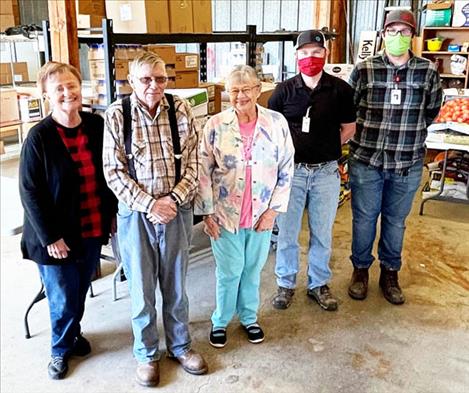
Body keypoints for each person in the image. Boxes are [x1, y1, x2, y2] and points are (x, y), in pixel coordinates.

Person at [102, 52, 207, 387]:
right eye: (146, 79)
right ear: (131, 81)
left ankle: (180, 346)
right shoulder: (118, 115)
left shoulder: (181, 109)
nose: (154, 86)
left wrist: (173, 200)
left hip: (176, 212)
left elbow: (193, 162)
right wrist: (151, 204)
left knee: (176, 286)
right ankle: (147, 353)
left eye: (160, 79)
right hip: (136, 215)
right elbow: (114, 172)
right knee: (142, 289)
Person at [19, 62, 117, 380]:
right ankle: (59, 350)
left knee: (78, 290)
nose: (66, 92)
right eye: (58, 88)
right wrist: (51, 237)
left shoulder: (94, 125)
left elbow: (108, 174)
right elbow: (30, 192)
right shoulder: (39, 137)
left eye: (71, 85)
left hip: (89, 227)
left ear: (80, 87)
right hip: (54, 237)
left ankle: (73, 336)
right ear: (46, 95)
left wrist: (111, 213)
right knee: (61, 297)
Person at [195, 65, 294, 348]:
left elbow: (287, 168)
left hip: (261, 213)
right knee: (229, 271)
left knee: (252, 269)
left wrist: (273, 211)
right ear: (227, 93)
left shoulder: (276, 123)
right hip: (225, 214)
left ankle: (249, 318)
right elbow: (202, 170)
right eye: (234, 90)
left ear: (258, 89)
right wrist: (207, 213)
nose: (241, 96)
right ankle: (220, 321)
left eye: (246, 89)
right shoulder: (215, 125)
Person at [347, 10, 442, 305]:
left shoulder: (427, 71)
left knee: (395, 221)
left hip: (407, 163)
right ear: (383, 34)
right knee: (364, 219)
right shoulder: (363, 70)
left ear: (412, 36)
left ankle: (390, 273)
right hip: (366, 160)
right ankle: (360, 270)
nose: (397, 37)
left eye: (404, 32)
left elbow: (431, 111)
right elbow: (349, 112)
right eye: (392, 31)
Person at [269, 30, 356, 311]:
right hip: (290, 174)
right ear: (296, 57)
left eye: (316, 52)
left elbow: (349, 128)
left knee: (322, 232)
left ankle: (318, 283)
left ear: (325, 55)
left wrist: (326, 147)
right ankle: (285, 283)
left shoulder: (341, 90)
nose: (310, 58)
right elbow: (272, 131)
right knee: (287, 232)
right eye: (304, 53)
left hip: (326, 173)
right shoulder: (282, 92)